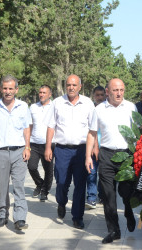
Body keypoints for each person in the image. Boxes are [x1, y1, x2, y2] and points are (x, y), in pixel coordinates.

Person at [85, 78, 136, 244]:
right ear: (108, 91)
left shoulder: (131, 107)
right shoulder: (99, 109)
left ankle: (128, 211)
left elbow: (138, 132)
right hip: (106, 156)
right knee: (108, 195)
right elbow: (92, 133)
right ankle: (114, 230)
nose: (119, 93)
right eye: (115, 90)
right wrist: (88, 156)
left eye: (121, 89)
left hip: (127, 156)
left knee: (126, 192)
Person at [0, 75, 31, 230]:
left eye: (11, 88)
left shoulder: (23, 106)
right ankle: (2, 215)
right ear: (0, 89)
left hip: (19, 151)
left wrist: (27, 147)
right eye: (5, 88)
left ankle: (20, 218)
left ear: (16, 89)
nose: (8, 92)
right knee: (2, 186)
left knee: (19, 186)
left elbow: (26, 129)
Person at [44, 74, 94, 229]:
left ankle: (77, 217)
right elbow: (51, 126)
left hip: (81, 150)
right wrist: (47, 147)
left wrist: (91, 152)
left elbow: (92, 129)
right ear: (66, 87)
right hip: (62, 150)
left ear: (80, 86)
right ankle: (61, 202)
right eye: (68, 85)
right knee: (61, 183)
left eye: (74, 85)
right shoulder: (57, 103)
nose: (71, 88)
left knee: (80, 184)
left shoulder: (88, 103)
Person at [28, 85, 54, 202]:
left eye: (44, 92)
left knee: (48, 169)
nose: (41, 94)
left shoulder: (54, 106)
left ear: (50, 94)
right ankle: (39, 183)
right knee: (31, 166)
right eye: (40, 92)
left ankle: (45, 191)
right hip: (34, 142)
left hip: (49, 143)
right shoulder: (33, 107)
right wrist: (27, 142)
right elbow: (29, 125)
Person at [85, 85, 106, 209]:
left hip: (105, 147)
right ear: (94, 96)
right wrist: (93, 146)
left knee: (103, 174)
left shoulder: (108, 109)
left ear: (105, 95)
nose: (99, 97)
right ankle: (91, 197)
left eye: (102, 95)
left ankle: (102, 195)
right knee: (92, 173)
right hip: (92, 146)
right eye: (97, 95)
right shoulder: (90, 109)